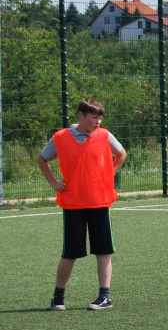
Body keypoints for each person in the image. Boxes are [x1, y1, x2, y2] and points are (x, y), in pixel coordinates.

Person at [37, 98, 127, 311]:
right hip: (73, 203)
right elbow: (42, 159)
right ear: (80, 115)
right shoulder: (60, 138)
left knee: (103, 250)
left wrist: (108, 174)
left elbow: (121, 154)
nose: (98, 121)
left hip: (99, 201)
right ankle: (58, 297)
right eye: (94, 117)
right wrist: (54, 183)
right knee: (70, 252)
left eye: (100, 118)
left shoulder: (105, 135)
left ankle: (105, 297)